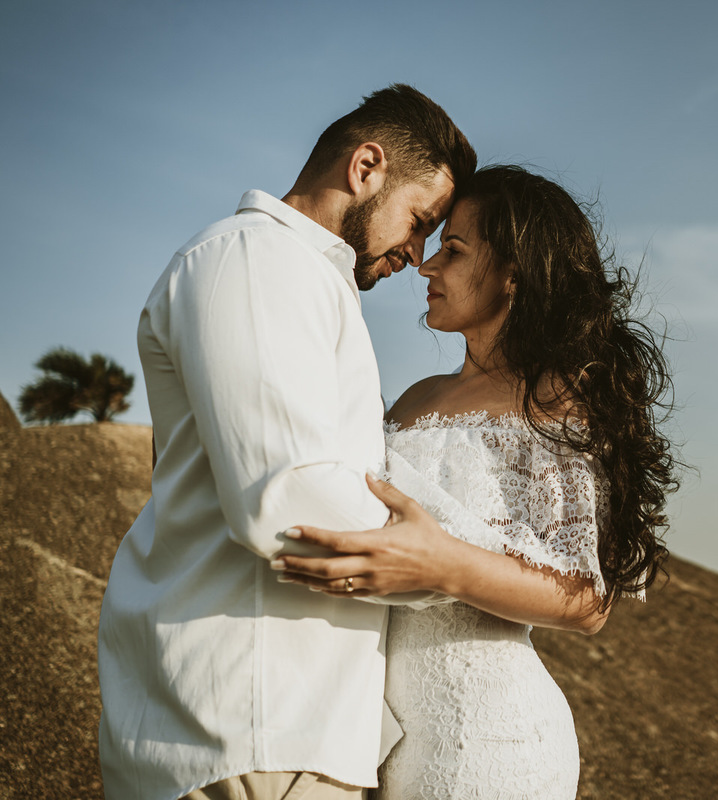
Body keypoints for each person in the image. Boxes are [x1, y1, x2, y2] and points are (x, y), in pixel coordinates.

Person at [97, 85, 476, 800]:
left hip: (282, 729)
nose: (418, 254)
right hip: (252, 726)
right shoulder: (255, 260)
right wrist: (457, 568)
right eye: (420, 220)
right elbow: (285, 498)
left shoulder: (298, 277)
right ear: (366, 167)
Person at [275, 165, 680, 799]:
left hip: (487, 737)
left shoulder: (556, 402)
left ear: (514, 274)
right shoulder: (414, 399)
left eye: (453, 250)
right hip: (375, 734)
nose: (426, 267)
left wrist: (445, 566)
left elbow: (586, 600)